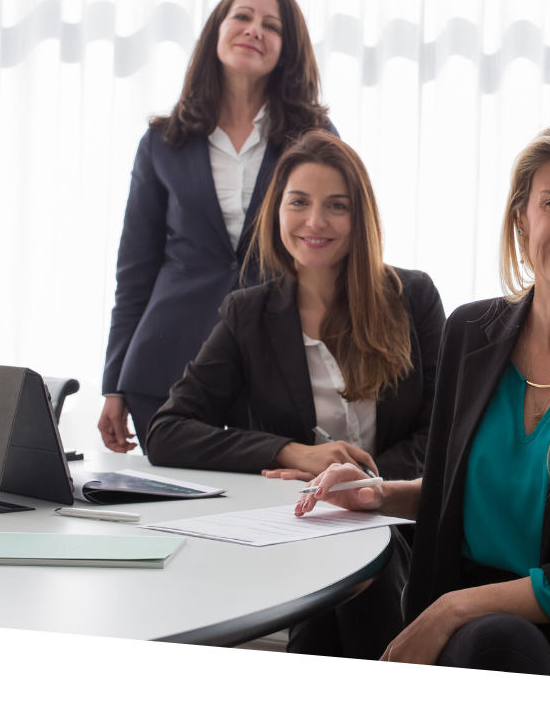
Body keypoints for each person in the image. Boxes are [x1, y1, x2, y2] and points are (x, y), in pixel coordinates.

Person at [295, 114, 550, 683]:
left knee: (499, 645)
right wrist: (377, 495)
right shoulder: (471, 332)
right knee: (332, 605)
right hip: (468, 615)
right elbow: (462, 488)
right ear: (522, 217)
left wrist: (457, 607)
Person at [147, 133, 444, 658]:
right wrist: (291, 452)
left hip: (400, 521)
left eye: (336, 206)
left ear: (361, 218)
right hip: (302, 527)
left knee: (351, 596)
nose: (315, 222)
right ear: (276, 210)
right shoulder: (248, 314)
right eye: (299, 202)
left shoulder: (412, 297)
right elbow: (168, 430)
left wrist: (365, 485)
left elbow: (445, 428)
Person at [98, 0, 331, 455]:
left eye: (271, 25)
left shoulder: (314, 137)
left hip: (274, 357)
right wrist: (115, 381)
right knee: (168, 516)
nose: (253, 30)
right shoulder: (163, 142)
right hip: (166, 360)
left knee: (268, 507)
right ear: (216, 32)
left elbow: (335, 249)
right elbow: (135, 270)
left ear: (286, 50)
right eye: (241, 17)